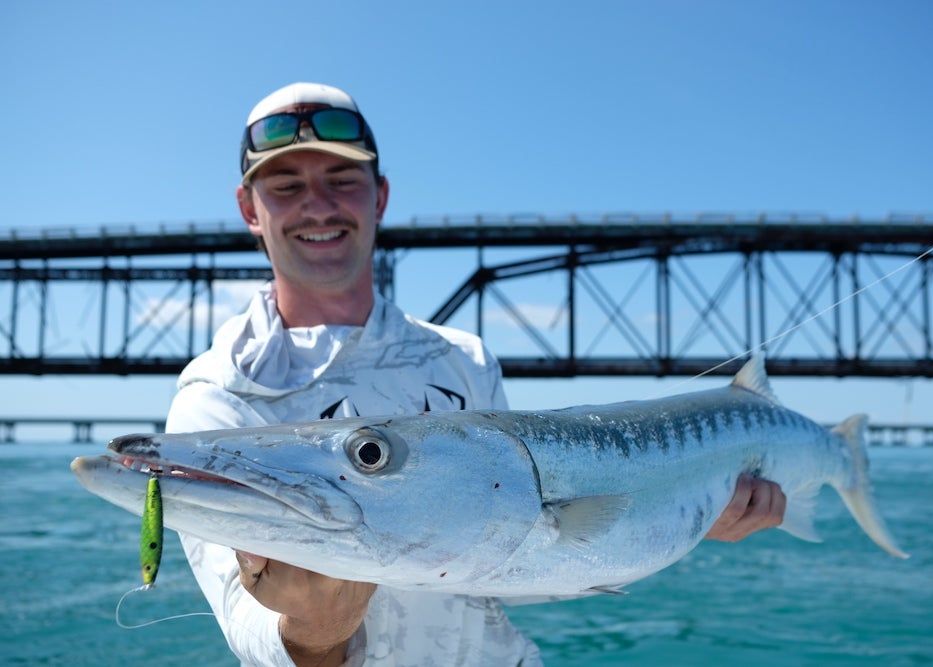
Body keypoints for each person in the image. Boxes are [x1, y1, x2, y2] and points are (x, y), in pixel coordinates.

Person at [166, 82, 786, 667]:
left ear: (379, 196)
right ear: (249, 207)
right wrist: (313, 632)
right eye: (286, 186)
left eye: (341, 179)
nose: (317, 205)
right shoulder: (217, 398)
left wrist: (686, 517)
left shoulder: (464, 358)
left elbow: (517, 562)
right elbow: (247, 628)